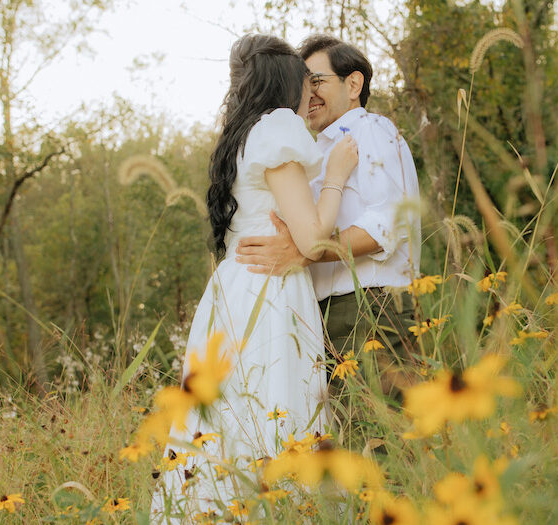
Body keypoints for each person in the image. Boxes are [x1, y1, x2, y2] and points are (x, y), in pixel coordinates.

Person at [149, 34, 359, 522]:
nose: (310, 94)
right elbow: (310, 242)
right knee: (276, 404)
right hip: (271, 288)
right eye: (306, 82)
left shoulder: (241, 135)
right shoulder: (278, 128)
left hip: (232, 290)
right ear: (285, 81)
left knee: (227, 417)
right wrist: (336, 174)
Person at [234, 35, 421, 442]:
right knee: (346, 446)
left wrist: (308, 254)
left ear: (353, 85)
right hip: (327, 315)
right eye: (304, 81)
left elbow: (387, 224)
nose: (308, 91)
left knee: (378, 441)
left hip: (369, 309)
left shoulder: (371, 132)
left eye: (317, 80)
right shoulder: (317, 148)